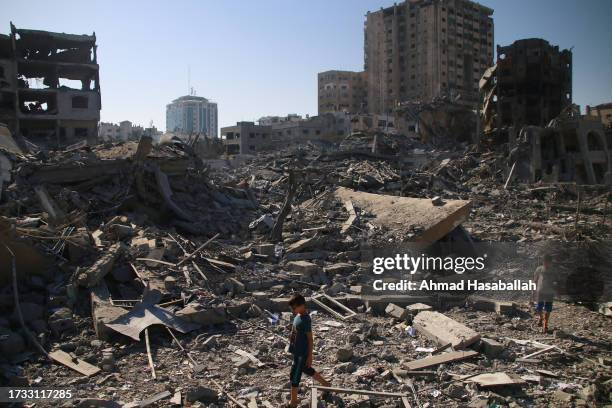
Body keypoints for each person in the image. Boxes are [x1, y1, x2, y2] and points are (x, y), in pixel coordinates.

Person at [287, 293, 330, 407]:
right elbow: (296, 330)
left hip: (301, 354)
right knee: (306, 369)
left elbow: (310, 339)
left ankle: (293, 401)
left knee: (295, 376)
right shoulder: (298, 316)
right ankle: (326, 385)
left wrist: (310, 356)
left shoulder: (306, 319)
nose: (292, 310)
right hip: (296, 351)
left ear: (302, 306)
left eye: (294, 308)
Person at [532, 254, 557, 333]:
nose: (546, 264)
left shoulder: (553, 270)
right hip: (540, 292)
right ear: (543, 262)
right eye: (545, 262)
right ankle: (541, 318)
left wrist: (556, 286)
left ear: (550, 262)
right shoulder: (539, 269)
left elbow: (556, 281)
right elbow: (535, 280)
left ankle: (545, 324)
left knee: (548, 308)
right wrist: (533, 290)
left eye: (548, 262)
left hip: (549, 292)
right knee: (539, 307)